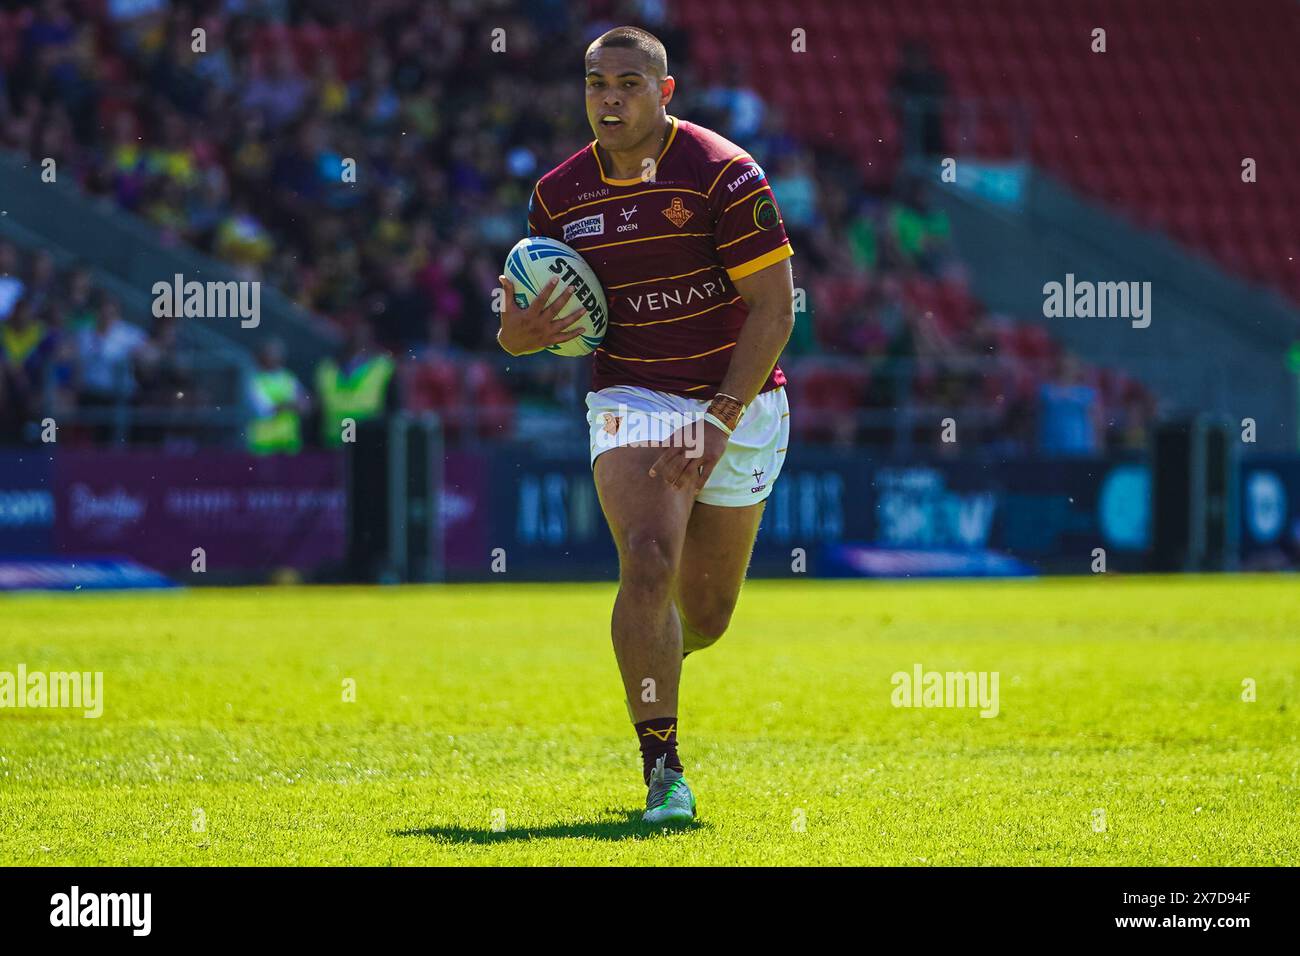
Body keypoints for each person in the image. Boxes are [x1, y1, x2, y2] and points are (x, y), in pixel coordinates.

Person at [496, 27, 795, 827]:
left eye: (628, 82)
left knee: (707, 615)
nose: (610, 97)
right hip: (633, 396)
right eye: (596, 83)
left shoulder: (725, 174)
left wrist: (720, 424)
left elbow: (776, 308)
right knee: (650, 558)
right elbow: (524, 320)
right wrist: (515, 336)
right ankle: (663, 769)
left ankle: (655, 649)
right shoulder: (558, 195)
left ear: (665, 93)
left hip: (739, 399)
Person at [246, 338, 308, 455]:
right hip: (264, 446)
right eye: (271, 353)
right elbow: (264, 410)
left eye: (277, 353)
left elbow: (305, 404)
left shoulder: (289, 377)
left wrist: (301, 404)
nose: (275, 356)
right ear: (263, 355)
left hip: (288, 445)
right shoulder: (255, 380)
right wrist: (291, 405)